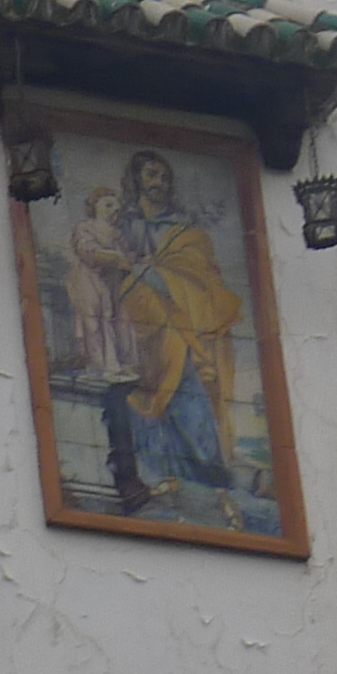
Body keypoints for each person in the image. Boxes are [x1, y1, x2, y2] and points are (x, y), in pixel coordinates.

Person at [106, 150, 242, 495]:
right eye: (151, 175)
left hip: (177, 323)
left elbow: (203, 278)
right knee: (142, 392)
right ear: (136, 180)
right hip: (137, 323)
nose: (159, 183)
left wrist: (153, 273)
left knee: (185, 377)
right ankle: (158, 473)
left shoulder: (185, 233)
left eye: (165, 177)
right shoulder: (121, 226)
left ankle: (210, 469)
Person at [63, 187, 134, 377]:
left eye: (116, 208)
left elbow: (126, 257)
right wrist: (116, 258)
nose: (113, 211)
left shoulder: (117, 234)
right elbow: (87, 251)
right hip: (88, 281)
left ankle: (116, 363)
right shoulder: (85, 227)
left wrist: (130, 260)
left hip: (111, 282)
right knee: (93, 323)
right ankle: (98, 366)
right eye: (108, 205)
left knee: (115, 321)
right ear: (95, 206)